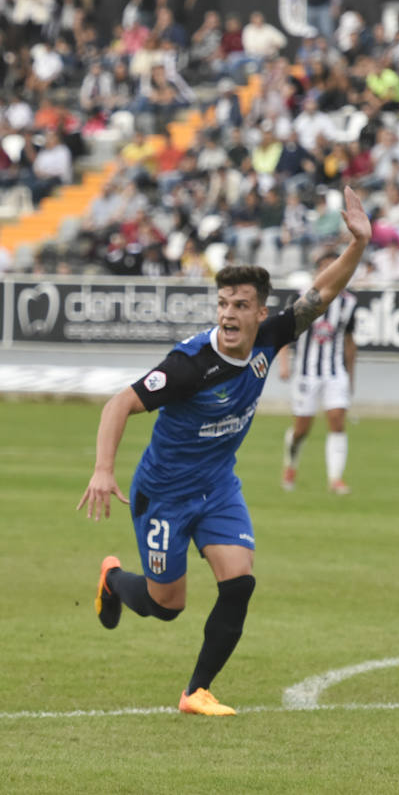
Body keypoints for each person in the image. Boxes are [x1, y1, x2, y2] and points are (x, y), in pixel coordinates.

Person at [77, 185, 370, 716]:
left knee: (240, 582)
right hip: (163, 494)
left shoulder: (267, 340)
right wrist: (102, 470)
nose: (229, 315)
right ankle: (115, 581)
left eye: (240, 305)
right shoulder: (189, 366)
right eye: (223, 304)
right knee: (169, 605)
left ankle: (195, 692)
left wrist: (358, 246)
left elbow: (319, 296)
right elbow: (119, 403)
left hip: (217, 488)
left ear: (260, 312)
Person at [277, 252, 357, 494]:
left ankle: (335, 479)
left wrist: (351, 377)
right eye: (325, 267)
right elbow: (283, 331)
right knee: (302, 429)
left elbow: (350, 342)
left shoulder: (349, 302)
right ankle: (290, 464)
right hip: (306, 373)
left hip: (335, 373)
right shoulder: (301, 297)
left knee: (337, 421)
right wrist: (283, 363)